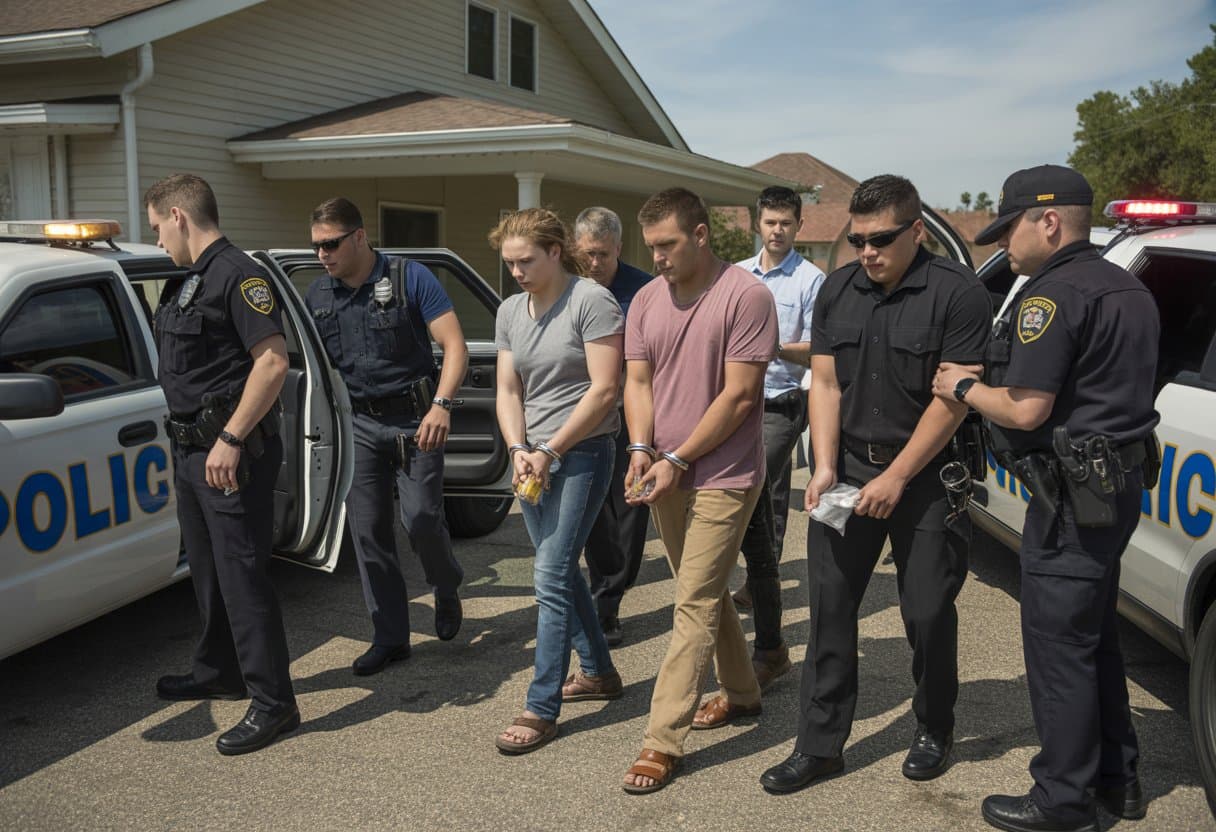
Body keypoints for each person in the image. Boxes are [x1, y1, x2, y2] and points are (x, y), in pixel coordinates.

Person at [933, 165, 1159, 832]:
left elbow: (1025, 408)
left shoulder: (1051, 296)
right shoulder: (1129, 287)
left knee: (1060, 650)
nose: (1005, 243)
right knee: (1094, 640)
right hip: (1115, 491)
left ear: (1050, 221)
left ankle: (1063, 801)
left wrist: (962, 387)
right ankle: (1117, 780)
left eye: (1011, 228)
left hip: (1070, 500)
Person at [760, 174, 991, 793]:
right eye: (858, 240)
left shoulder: (958, 293)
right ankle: (819, 746)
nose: (867, 252)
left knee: (928, 610)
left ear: (916, 231)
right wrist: (824, 465)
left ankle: (934, 727)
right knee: (830, 609)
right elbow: (825, 383)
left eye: (881, 239)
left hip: (925, 478)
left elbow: (952, 401)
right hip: (849, 470)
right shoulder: (838, 288)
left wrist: (896, 476)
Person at [620, 187, 778, 794]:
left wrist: (678, 457)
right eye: (651, 247)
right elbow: (638, 382)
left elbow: (740, 396)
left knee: (691, 602)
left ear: (702, 235)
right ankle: (742, 692)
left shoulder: (746, 295)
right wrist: (641, 447)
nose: (656, 257)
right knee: (702, 590)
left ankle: (661, 740)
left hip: (725, 474)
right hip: (662, 470)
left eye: (667, 245)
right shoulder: (645, 299)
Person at [148, 173, 299, 755]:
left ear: (179, 217)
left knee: (242, 576)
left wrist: (232, 438)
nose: (157, 240)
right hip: (192, 451)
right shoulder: (187, 280)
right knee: (208, 571)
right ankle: (220, 671)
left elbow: (273, 362)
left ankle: (274, 703)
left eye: (157, 227)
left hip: (230, 453)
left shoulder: (239, 275)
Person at [304, 198, 467, 675]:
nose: (322, 255)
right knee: (368, 532)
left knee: (421, 519)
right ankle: (391, 637)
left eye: (331, 244)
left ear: (359, 237)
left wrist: (442, 404)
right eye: (316, 247)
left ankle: (445, 585)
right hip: (357, 424)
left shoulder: (409, 277)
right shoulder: (317, 294)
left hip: (416, 420)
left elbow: (454, 346)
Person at [490, 207, 625, 755]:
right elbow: (508, 389)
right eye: (509, 263)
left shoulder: (591, 301)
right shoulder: (509, 310)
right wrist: (519, 449)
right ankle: (598, 673)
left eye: (525, 261)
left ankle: (540, 706)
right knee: (561, 572)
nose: (516, 272)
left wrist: (550, 449)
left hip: (584, 453)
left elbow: (605, 388)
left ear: (554, 251)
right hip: (532, 461)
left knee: (548, 575)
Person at [733, 185, 826, 690]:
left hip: (781, 401)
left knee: (762, 484)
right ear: (758, 224)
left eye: (786, 223)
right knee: (763, 492)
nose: (777, 230)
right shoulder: (736, 275)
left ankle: (759, 580)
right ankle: (757, 578)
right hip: (735, 400)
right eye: (770, 222)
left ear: (798, 226)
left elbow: (819, 349)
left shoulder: (811, 280)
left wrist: (771, 347)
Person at [574, 206, 654, 647]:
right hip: (582, 415)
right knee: (593, 512)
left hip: (631, 416)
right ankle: (603, 598)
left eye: (602, 254)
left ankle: (611, 596)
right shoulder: (565, 288)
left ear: (619, 248)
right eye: (587, 253)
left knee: (630, 510)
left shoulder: (644, 291)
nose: (594, 263)